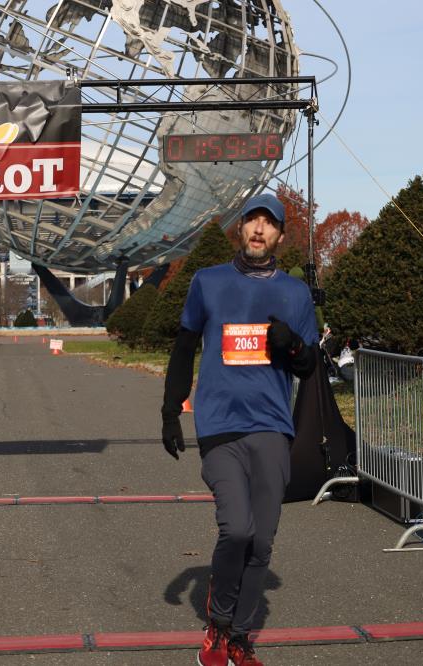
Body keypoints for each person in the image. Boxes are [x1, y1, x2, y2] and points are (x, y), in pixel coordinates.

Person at [161, 193, 318, 666]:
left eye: (269, 223)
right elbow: (184, 346)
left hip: (271, 426)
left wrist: (292, 345)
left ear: (281, 236)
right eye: (252, 219)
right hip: (220, 425)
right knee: (236, 529)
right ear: (241, 227)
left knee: (262, 541)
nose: (259, 228)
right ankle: (218, 624)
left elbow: (310, 366)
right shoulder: (207, 282)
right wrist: (170, 410)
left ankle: (240, 636)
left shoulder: (295, 293)